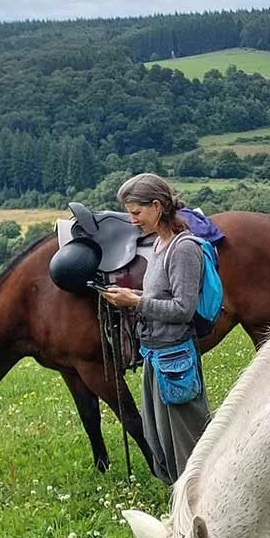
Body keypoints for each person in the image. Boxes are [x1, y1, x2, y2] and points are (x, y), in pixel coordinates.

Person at [101, 173, 210, 484]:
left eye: (137, 212)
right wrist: (131, 295)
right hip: (156, 356)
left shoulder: (183, 249)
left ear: (157, 206)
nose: (132, 220)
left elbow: (182, 309)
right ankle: (182, 499)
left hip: (176, 360)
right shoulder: (160, 244)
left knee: (188, 445)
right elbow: (160, 296)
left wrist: (135, 303)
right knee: (161, 441)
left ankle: (200, 501)